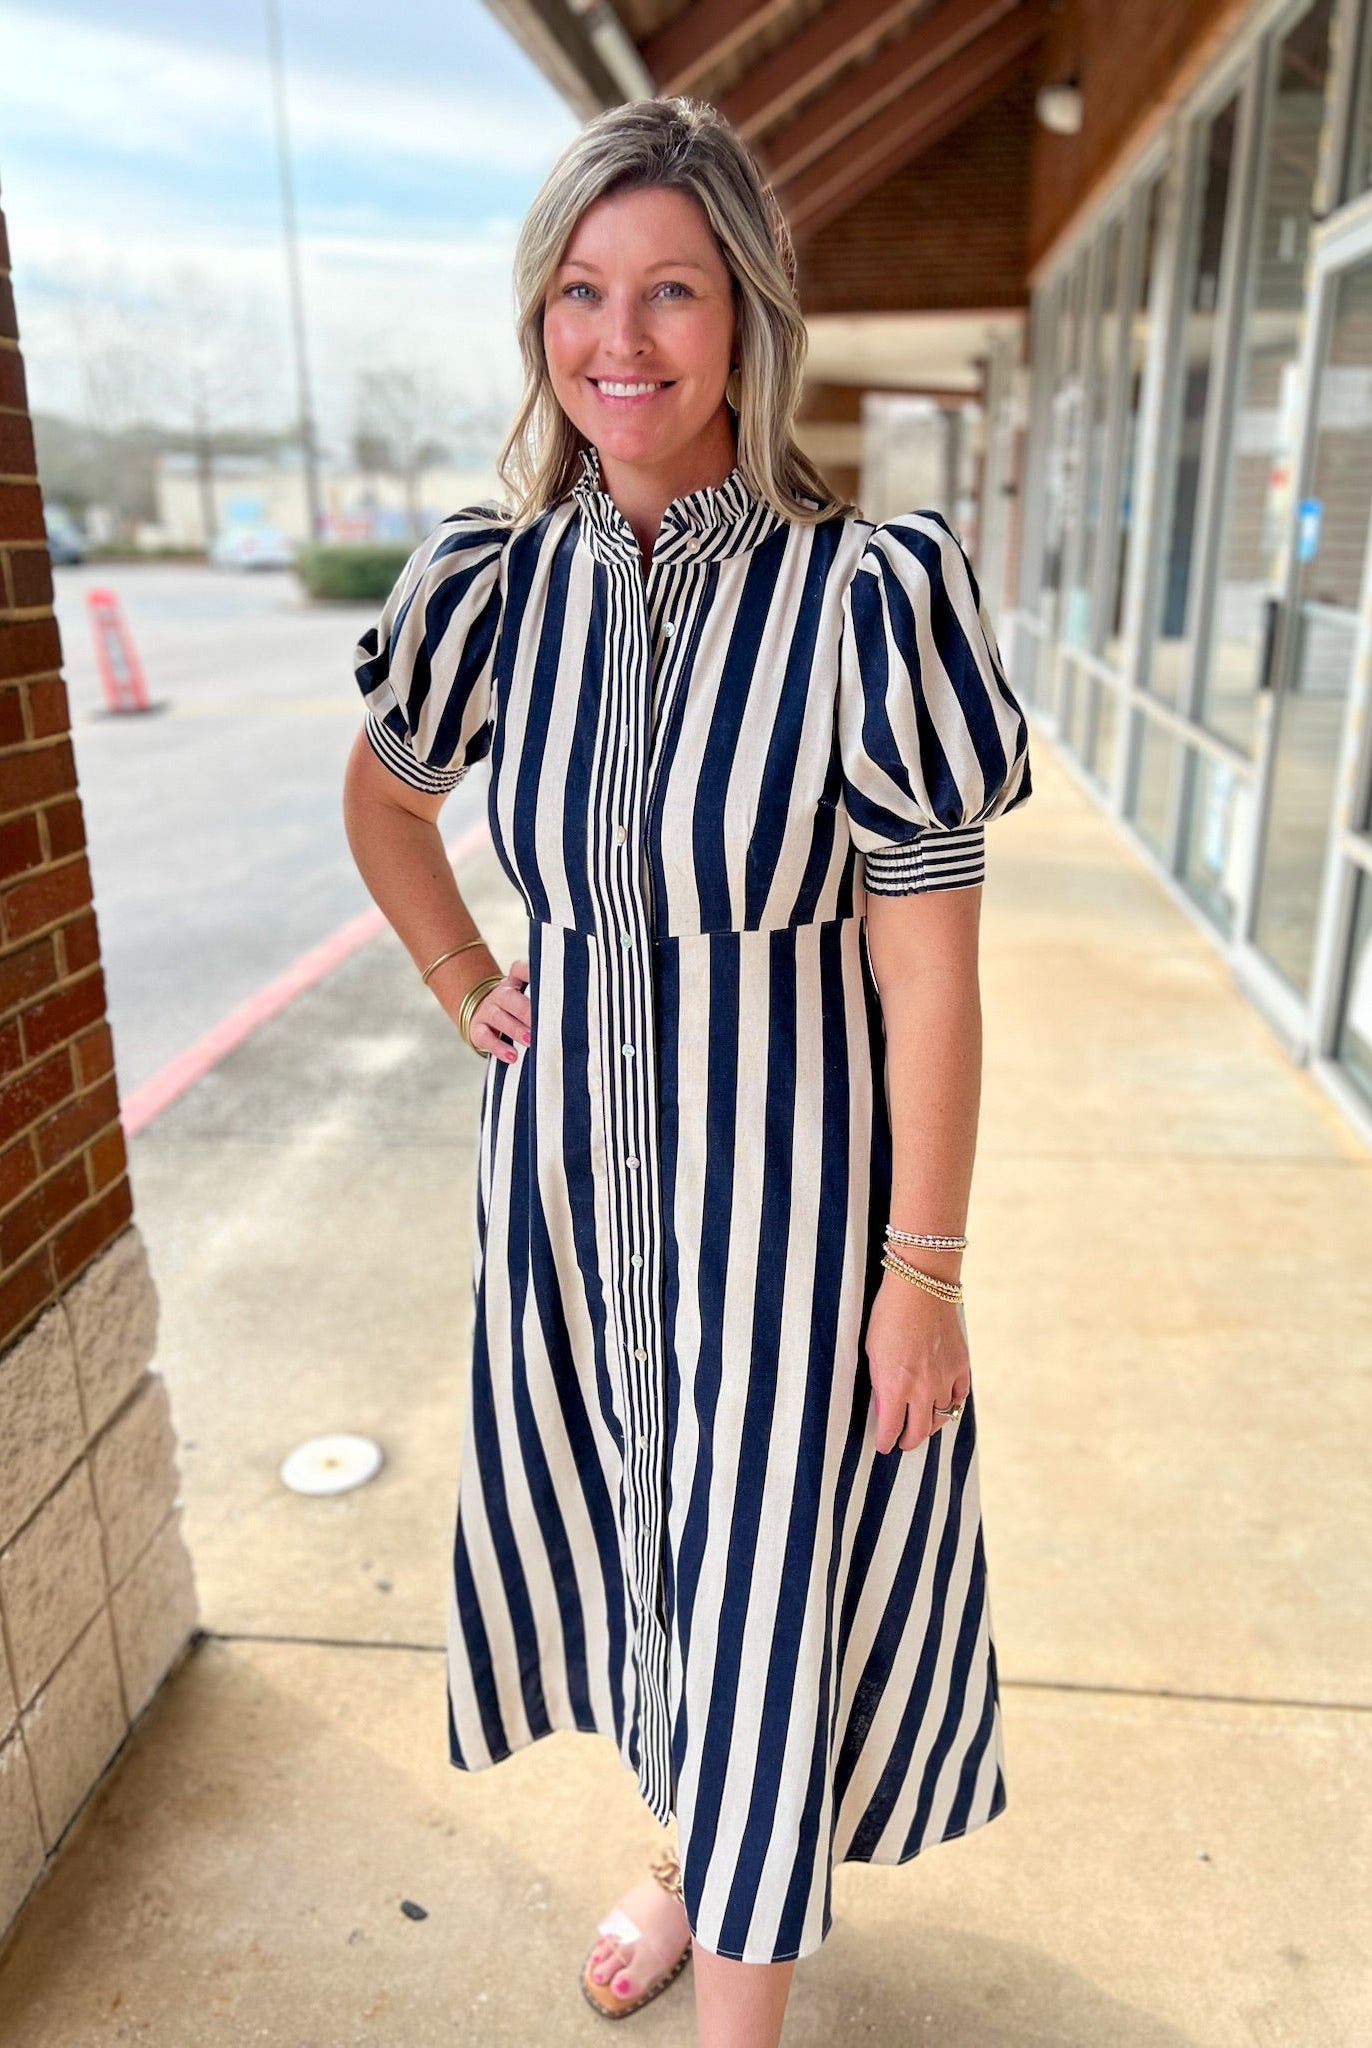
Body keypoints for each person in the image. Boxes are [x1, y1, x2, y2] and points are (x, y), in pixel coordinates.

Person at [342, 95, 1032, 2048]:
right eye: (580, 291)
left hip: (792, 1216)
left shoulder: (867, 595)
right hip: (570, 1202)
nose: (618, 339)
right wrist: (463, 970)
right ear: (538, 320)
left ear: (746, 319)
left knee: (762, 1592)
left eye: (670, 291)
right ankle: (688, 1850)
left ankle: (738, 2001)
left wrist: (922, 1270)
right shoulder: (492, 584)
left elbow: (931, 975)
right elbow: (386, 808)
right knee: (656, 1572)